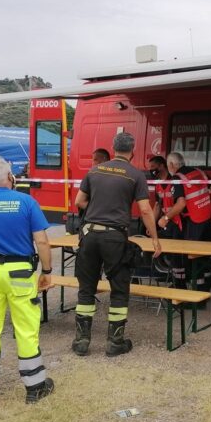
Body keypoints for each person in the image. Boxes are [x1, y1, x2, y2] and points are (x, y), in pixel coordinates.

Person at [0, 156, 55, 411]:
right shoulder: (26, 201)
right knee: (26, 329)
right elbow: (42, 241)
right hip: (19, 274)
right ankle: (35, 387)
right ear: (9, 176)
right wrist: (47, 270)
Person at [72, 132, 161, 357]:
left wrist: (98, 205)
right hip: (115, 237)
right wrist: (154, 238)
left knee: (87, 287)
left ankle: (82, 340)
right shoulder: (136, 175)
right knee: (119, 289)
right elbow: (144, 209)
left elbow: (79, 202)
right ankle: (115, 342)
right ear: (133, 150)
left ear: (113, 148)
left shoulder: (94, 170)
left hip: (89, 235)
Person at [161, 152, 211, 294]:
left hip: (194, 222)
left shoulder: (177, 178)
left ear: (171, 165)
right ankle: (205, 289)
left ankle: (197, 296)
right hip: (206, 219)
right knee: (204, 256)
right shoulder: (198, 172)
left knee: (192, 258)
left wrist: (166, 218)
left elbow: (181, 203)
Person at [148, 155, 183, 278]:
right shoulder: (158, 184)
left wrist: (166, 218)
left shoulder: (174, 181)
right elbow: (157, 206)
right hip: (166, 223)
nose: (151, 170)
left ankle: (179, 285)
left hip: (177, 222)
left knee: (176, 256)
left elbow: (181, 204)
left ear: (162, 166)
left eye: (153, 167)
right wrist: (151, 223)